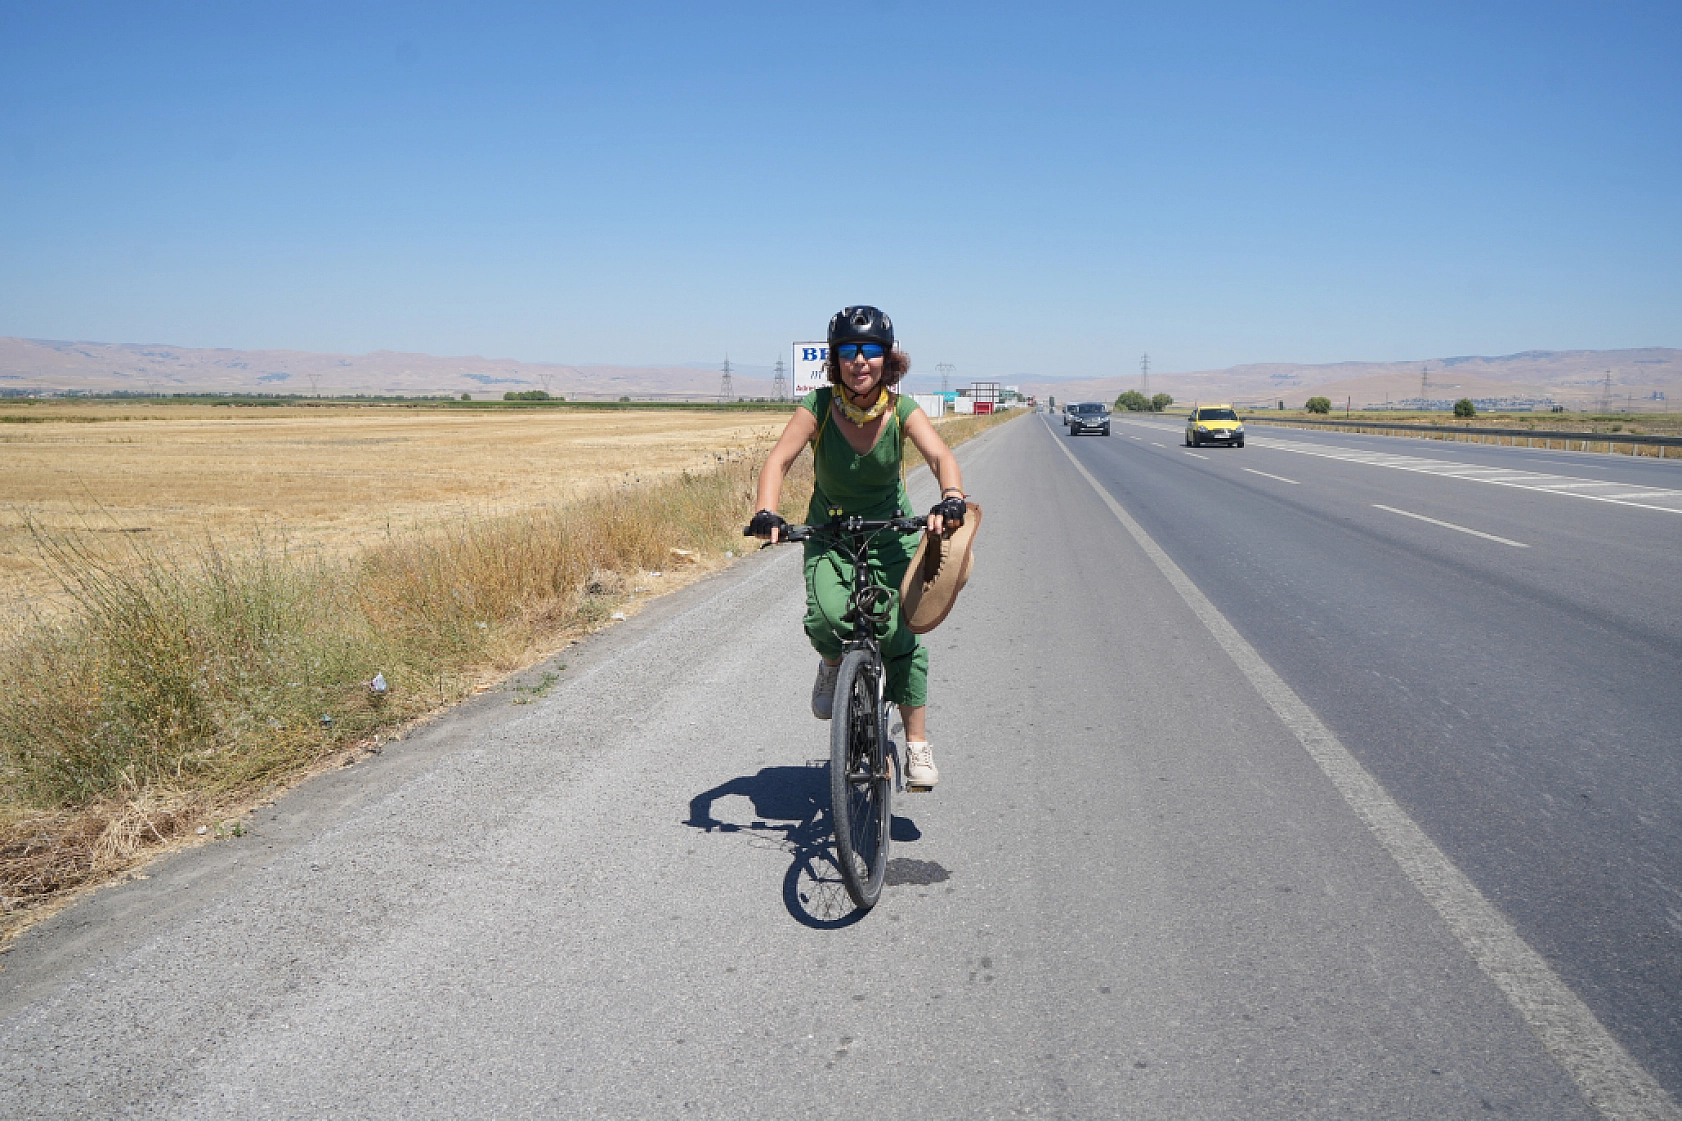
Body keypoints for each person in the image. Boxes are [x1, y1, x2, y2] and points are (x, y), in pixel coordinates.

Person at [748, 306, 966, 789]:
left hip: (891, 532)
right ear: (835, 359)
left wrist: (951, 497)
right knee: (827, 618)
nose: (859, 360)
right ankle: (832, 666)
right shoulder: (818, 406)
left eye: (870, 350)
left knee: (899, 635)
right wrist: (767, 511)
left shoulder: (901, 410)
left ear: (887, 359)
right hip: (829, 534)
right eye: (848, 350)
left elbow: (939, 456)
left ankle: (916, 743)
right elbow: (778, 460)